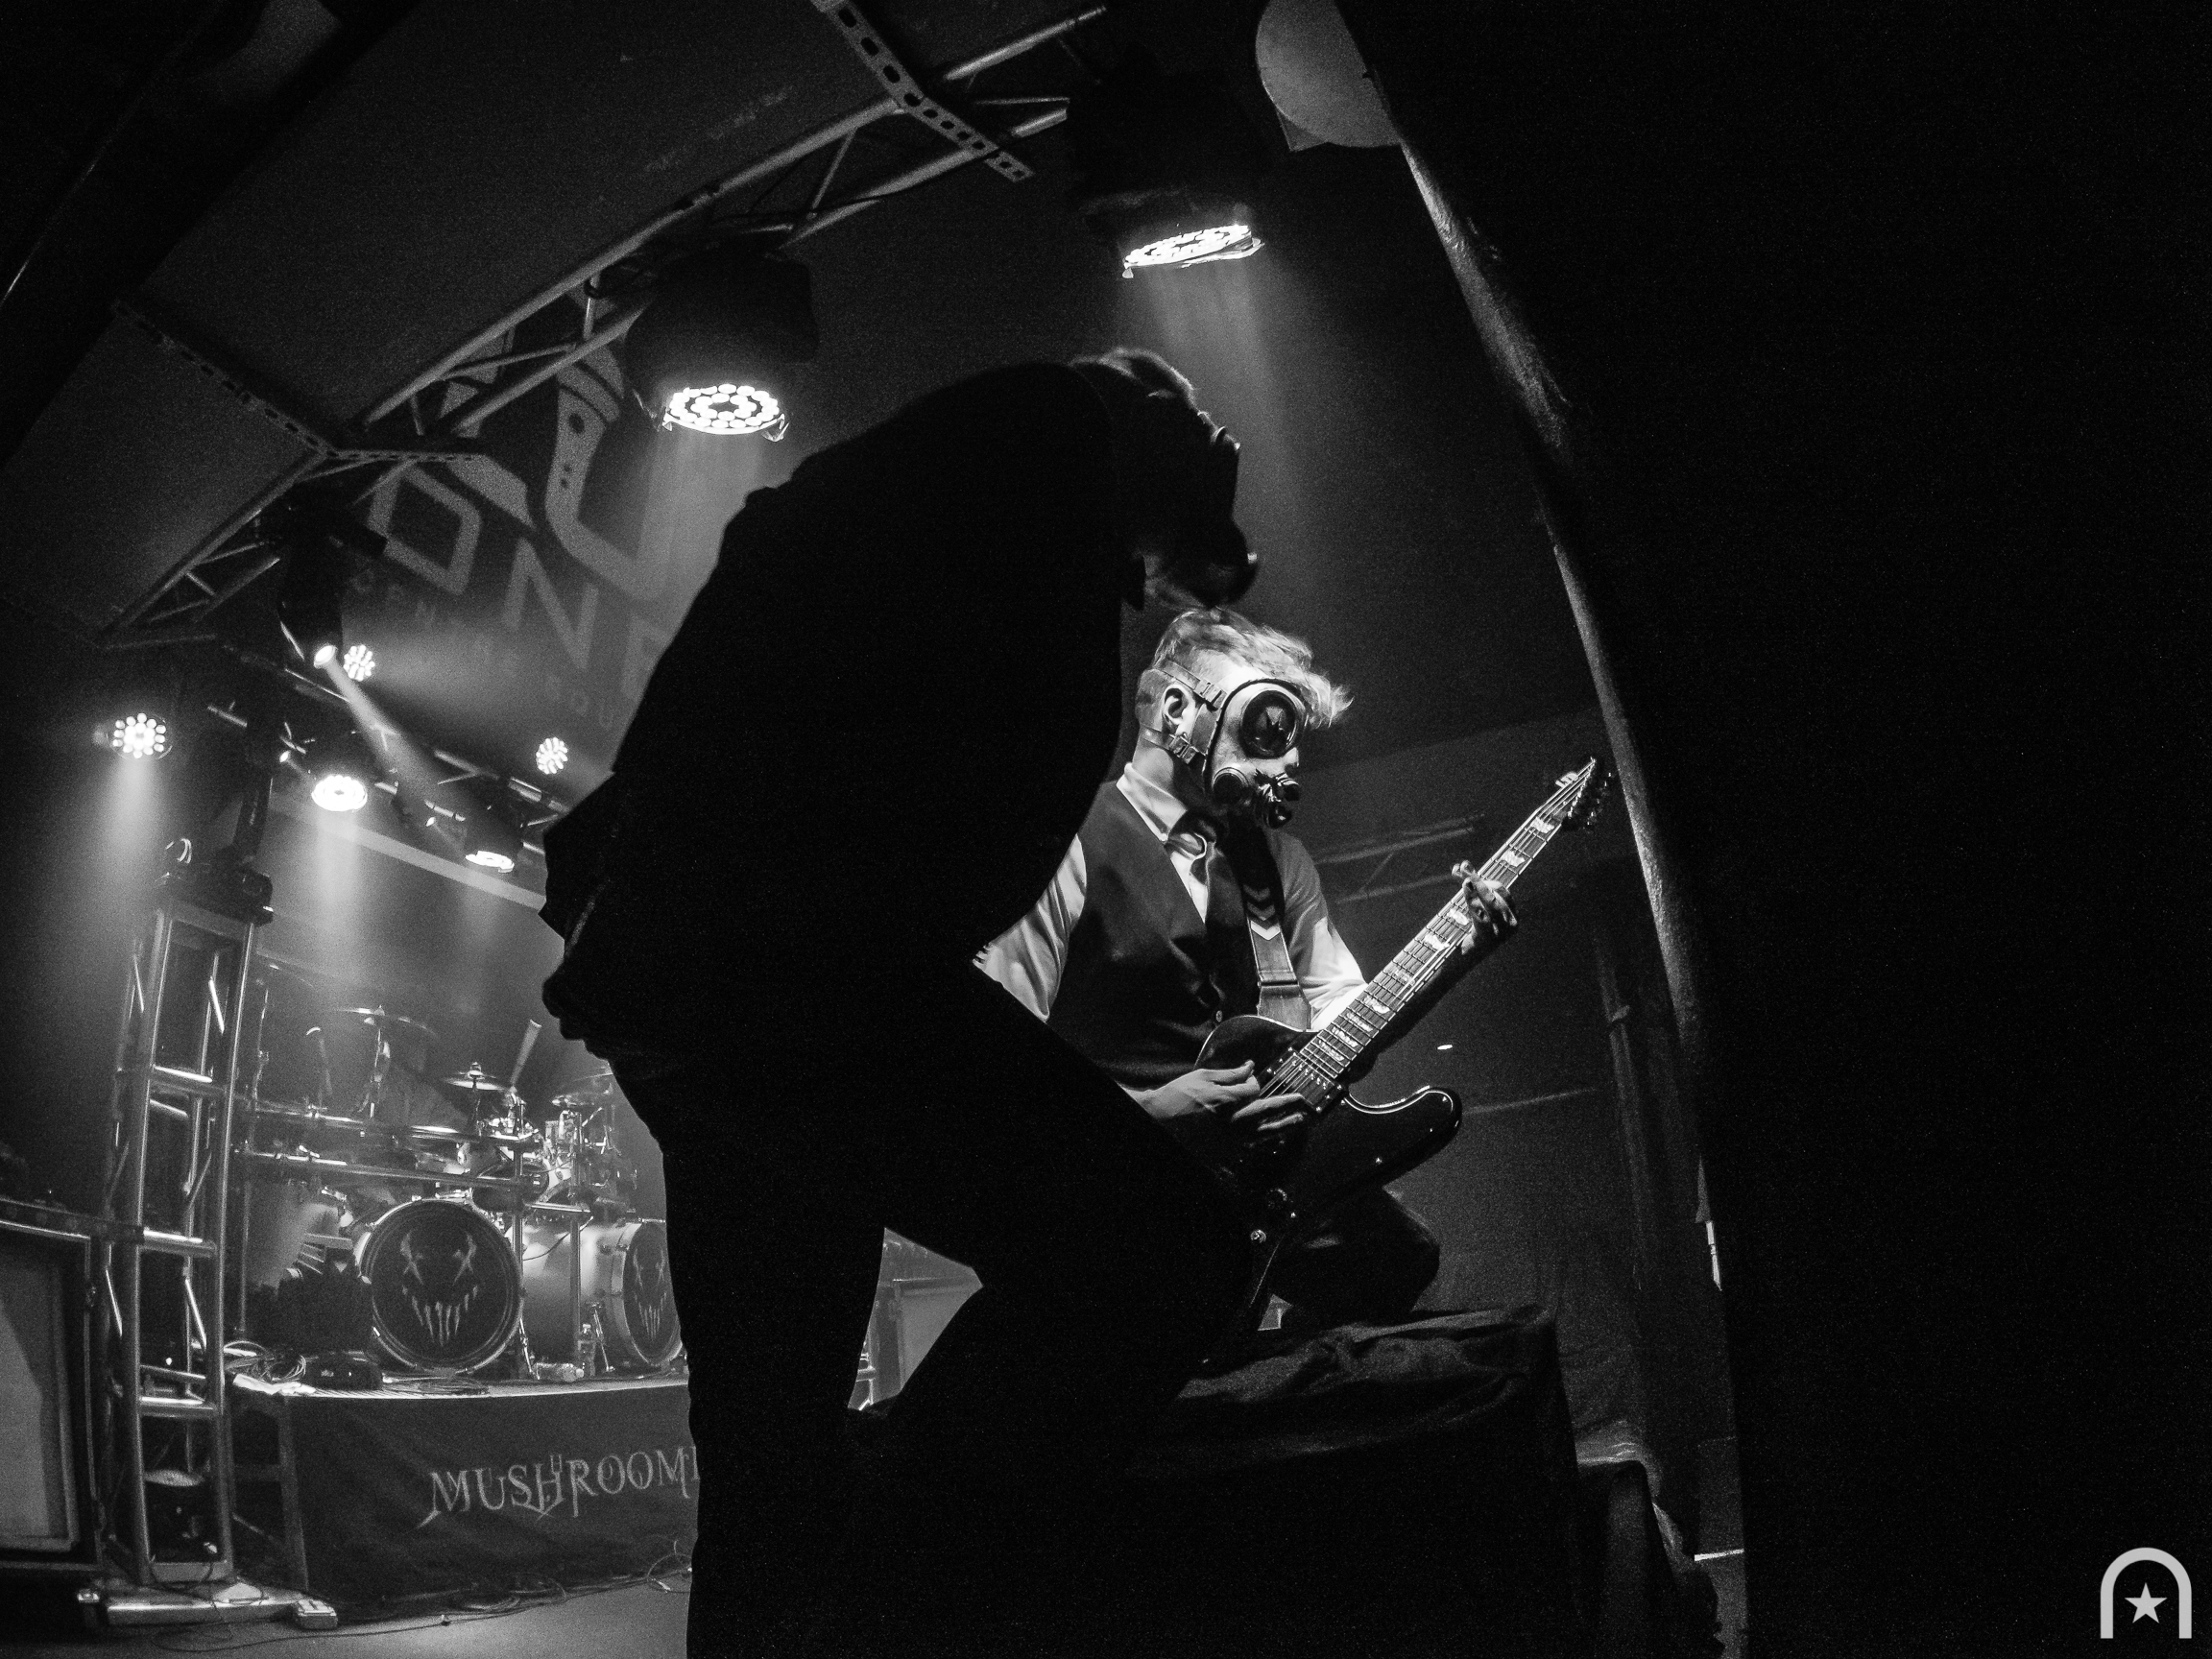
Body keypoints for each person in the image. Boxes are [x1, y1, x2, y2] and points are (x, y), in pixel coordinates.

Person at [539, 349, 1261, 1657]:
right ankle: (879, 1602)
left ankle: (821, 1592)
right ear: (1153, 429)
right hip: (798, 983)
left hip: (730, 992)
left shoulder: (995, 477)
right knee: (1159, 1253)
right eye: (1198, 431)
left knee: (768, 1434)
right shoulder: (1043, 435)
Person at [980, 609, 1516, 1329]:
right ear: (1176, 710)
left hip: (1263, 1180)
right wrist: (1150, 1114)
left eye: (1293, 738)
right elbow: (1001, 1055)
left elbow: (1341, 1013)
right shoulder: (1069, 842)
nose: (1289, 761)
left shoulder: (1277, 861)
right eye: (1268, 726)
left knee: (1394, 1257)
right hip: (1115, 1198)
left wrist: (1450, 958)